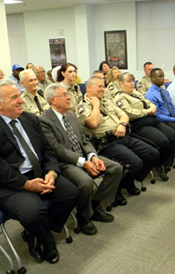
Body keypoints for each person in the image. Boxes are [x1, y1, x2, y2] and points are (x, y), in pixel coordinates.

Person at [0, 79, 79, 264]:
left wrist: (51, 172)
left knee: (71, 193)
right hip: (3, 183)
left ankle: (34, 232)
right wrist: (25, 184)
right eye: (15, 97)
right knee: (34, 211)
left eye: (20, 95)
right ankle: (46, 243)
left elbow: (47, 150)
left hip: (37, 172)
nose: (22, 100)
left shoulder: (29, 119)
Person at [40, 83, 122, 235]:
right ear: (53, 100)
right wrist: (83, 163)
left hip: (84, 157)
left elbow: (84, 140)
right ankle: (84, 217)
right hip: (65, 163)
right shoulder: (44, 120)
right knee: (85, 182)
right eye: (63, 95)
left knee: (115, 168)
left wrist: (93, 156)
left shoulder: (71, 115)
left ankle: (94, 206)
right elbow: (57, 150)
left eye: (67, 94)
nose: (68, 97)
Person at [76, 76, 160, 203]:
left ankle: (127, 181)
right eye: (99, 86)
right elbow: (93, 123)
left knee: (153, 154)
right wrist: (96, 106)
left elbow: (124, 115)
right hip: (106, 143)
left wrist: (122, 125)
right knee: (135, 163)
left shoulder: (106, 100)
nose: (102, 89)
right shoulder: (82, 106)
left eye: (103, 86)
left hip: (124, 135)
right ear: (88, 88)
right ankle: (117, 189)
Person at [114, 72, 175, 181]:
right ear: (121, 84)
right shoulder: (119, 98)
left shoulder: (135, 93)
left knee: (174, 135)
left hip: (151, 120)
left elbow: (149, 103)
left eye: (132, 81)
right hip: (139, 125)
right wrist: (147, 111)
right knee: (163, 141)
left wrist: (151, 108)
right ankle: (159, 164)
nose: (131, 84)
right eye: (128, 82)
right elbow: (130, 113)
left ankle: (165, 163)